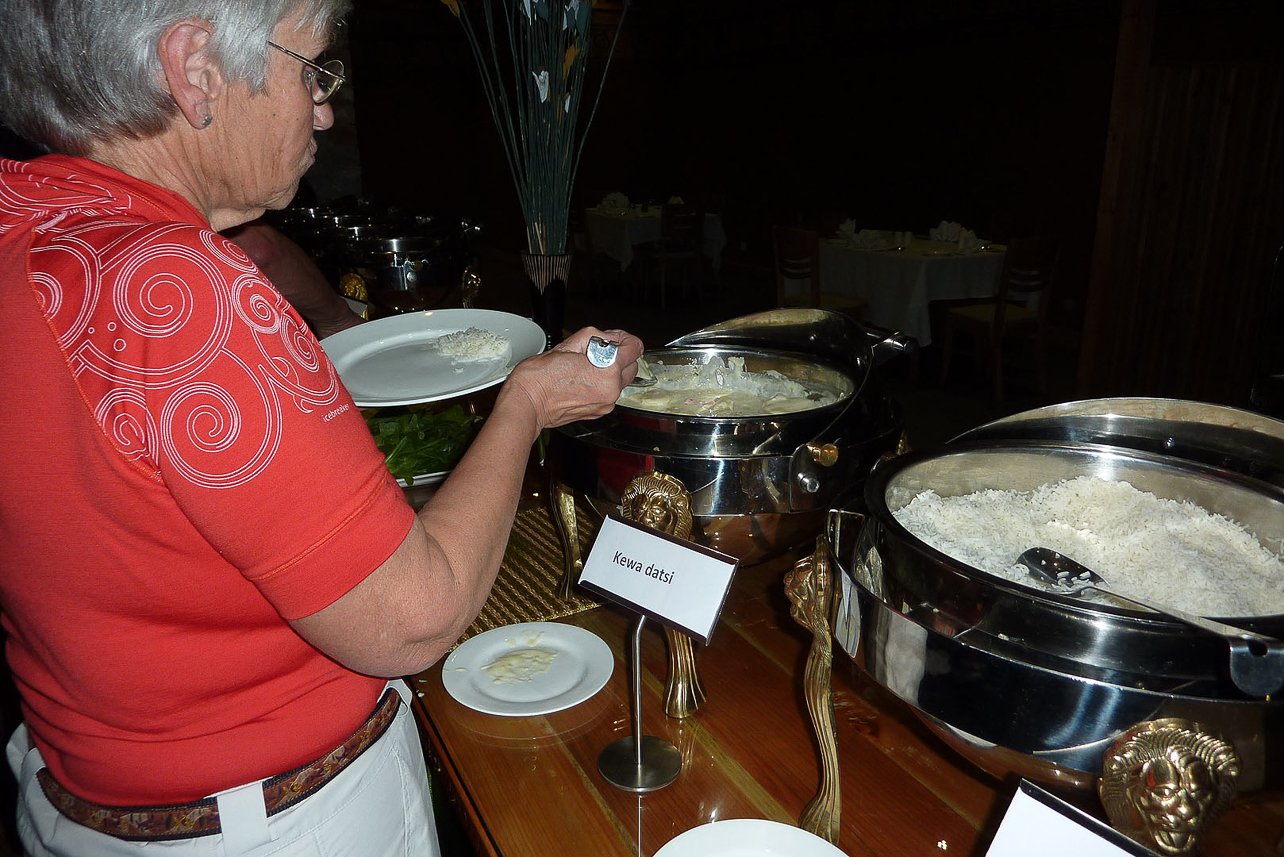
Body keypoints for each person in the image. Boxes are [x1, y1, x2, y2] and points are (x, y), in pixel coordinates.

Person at [0, 2, 642, 856]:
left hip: (77, 800)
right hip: (276, 824)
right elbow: (413, 616)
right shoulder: (184, 291)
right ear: (196, 69)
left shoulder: (25, 227)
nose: (326, 107)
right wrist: (526, 402)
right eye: (313, 69)